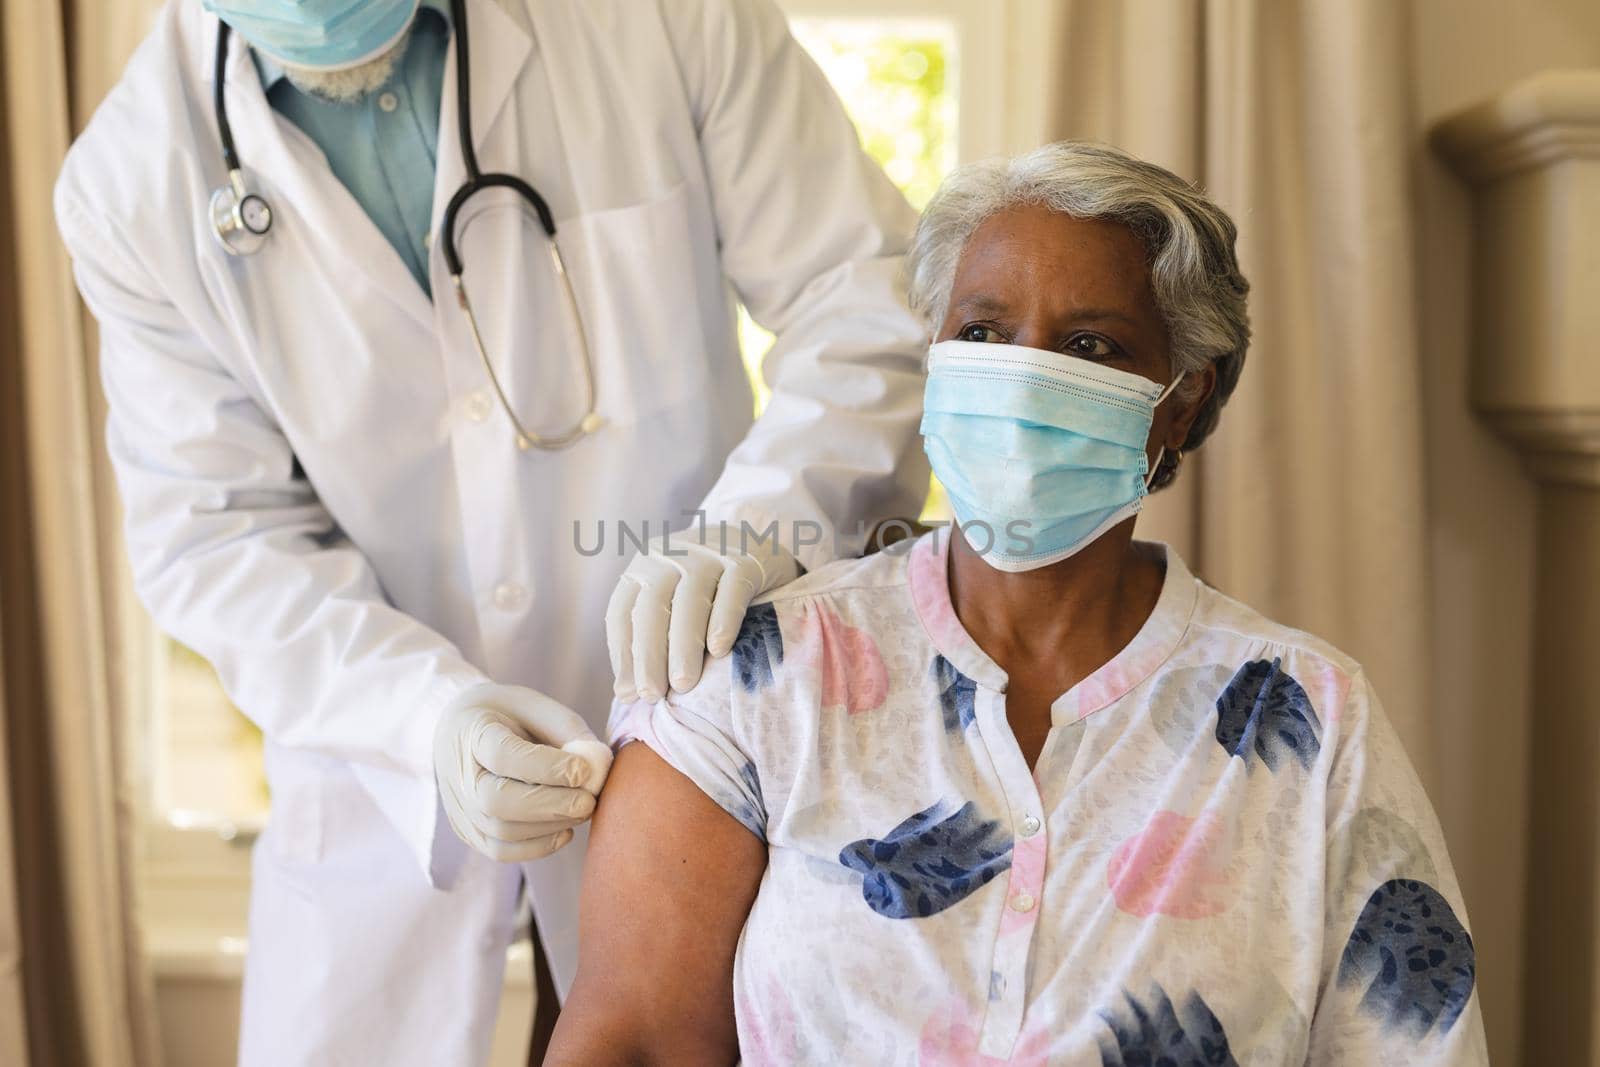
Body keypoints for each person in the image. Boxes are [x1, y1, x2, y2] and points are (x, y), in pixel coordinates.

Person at [53, 0, 927, 1063]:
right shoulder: (133, 174)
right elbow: (220, 538)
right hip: (377, 773)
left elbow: (863, 296)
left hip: (695, 711)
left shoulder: (662, 17)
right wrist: (425, 719)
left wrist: (762, 526)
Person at [549, 141, 1490, 1065]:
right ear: (935, 360)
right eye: (984, 333)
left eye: (1089, 343)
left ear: (1178, 400)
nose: (1022, 375)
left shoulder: (1312, 720)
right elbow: (629, 1036)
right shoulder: (754, 677)